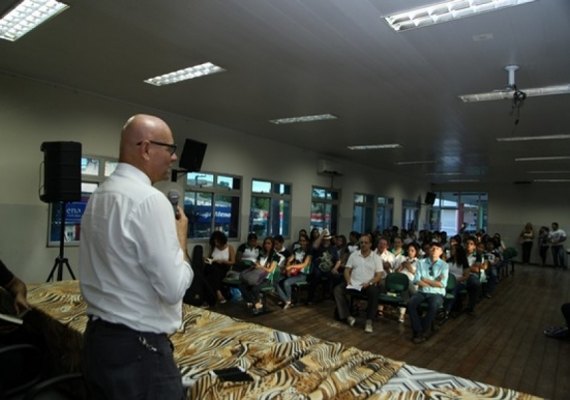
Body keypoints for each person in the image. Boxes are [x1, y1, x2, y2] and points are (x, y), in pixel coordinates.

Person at [79, 114, 194, 400]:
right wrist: (181, 235)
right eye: (169, 148)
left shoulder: (101, 194)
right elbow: (173, 289)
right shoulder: (149, 200)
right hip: (138, 353)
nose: (173, 156)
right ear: (145, 148)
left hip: (99, 342)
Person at [332, 233, 382, 333]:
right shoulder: (354, 255)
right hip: (353, 283)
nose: (363, 244)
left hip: (367, 285)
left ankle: (369, 321)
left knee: (374, 291)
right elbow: (347, 270)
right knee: (338, 289)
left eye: (366, 243)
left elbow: (378, 275)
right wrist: (348, 280)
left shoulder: (376, 257)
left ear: (370, 244)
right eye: (361, 243)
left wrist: (370, 283)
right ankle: (347, 316)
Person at [407, 242, 449, 344]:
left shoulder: (444, 265)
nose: (434, 250)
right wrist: (433, 282)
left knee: (433, 305)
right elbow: (417, 280)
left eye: (437, 249)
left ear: (441, 252)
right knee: (411, 303)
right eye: (432, 248)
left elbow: (442, 284)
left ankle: (423, 331)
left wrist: (425, 280)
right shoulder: (421, 262)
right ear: (429, 250)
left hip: (437, 293)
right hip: (422, 291)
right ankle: (419, 329)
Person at [205, 230, 236, 303]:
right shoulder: (214, 247)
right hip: (212, 266)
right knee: (212, 269)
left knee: (212, 274)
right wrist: (206, 259)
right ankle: (218, 292)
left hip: (224, 266)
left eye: (217, 242)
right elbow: (210, 259)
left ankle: (213, 295)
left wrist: (223, 261)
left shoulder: (229, 247)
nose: (216, 244)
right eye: (215, 242)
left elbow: (233, 262)